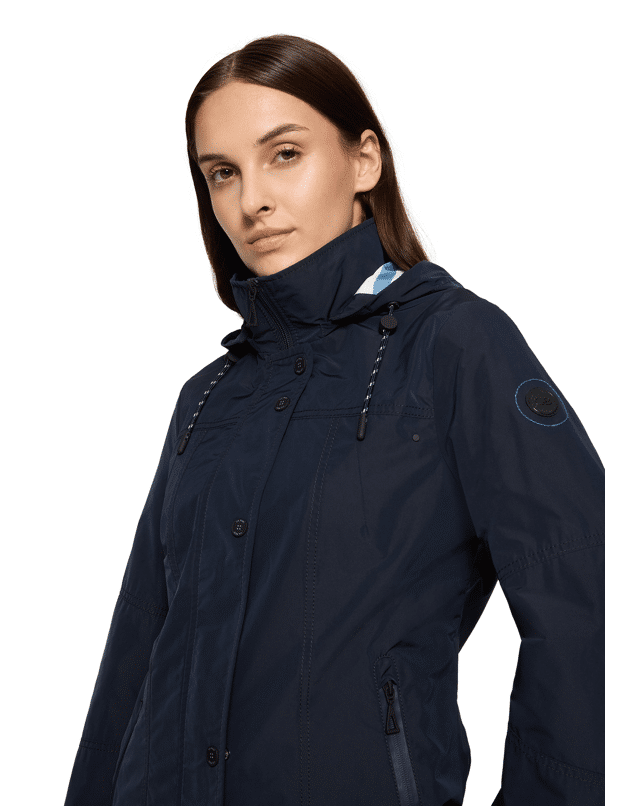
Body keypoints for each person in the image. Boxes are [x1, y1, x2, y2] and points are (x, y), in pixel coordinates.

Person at [64, 34, 605, 806]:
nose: (251, 200)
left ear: (365, 161)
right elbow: (136, 650)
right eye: (222, 173)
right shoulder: (207, 396)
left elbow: (594, 603)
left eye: (284, 154)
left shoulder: (453, 347)